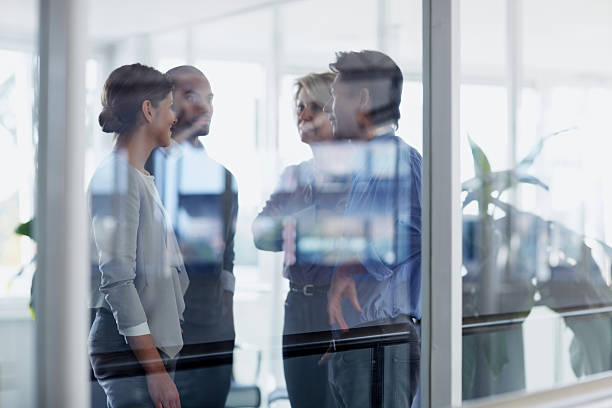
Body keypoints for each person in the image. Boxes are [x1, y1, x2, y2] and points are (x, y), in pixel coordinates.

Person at [323, 50, 422, 408]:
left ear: (363, 99)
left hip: (383, 342)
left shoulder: (401, 160)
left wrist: (350, 261)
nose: (329, 107)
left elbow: (408, 237)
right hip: (359, 343)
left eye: (335, 95)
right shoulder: (366, 164)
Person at [88, 63, 189, 408]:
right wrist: (156, 371)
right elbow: (117, 280)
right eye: (169, 106)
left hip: (141, 348)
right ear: (149, 110)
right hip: (128, 351)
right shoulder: (118, 178)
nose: (175, 117)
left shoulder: (135, 175)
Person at [252, 72, 343, 408]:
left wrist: (293, 225)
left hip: (334, 308)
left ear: (336, 113)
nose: (302, 116)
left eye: (314, 107)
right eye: (299, 107)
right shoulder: (294, 174)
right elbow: (261, 233)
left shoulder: (356, 178)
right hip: (297, 307)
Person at [153, 65, 237, 408]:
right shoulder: (142, 171)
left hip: (212, 339)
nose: (205, 107)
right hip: (161, 343)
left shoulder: (223, 179)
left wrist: (227, 331)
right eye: (192, 97)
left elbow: (225, 261)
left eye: (210, 98)